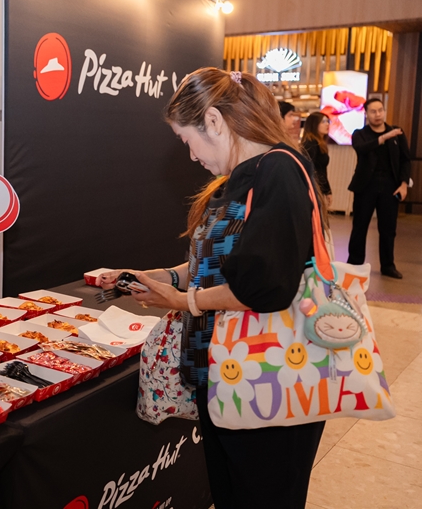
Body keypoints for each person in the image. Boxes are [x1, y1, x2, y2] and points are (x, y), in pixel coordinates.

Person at [99, 68, 325, 509]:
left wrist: (184, 301)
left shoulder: (279, 170)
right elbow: (217, 263)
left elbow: (266, 286)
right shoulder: (241, 177)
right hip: (229, 376)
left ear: (215, 121)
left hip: (270, 379)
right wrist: (162, 277)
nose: (190, 155)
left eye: (187, 140)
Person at [346, 98, 411, 279]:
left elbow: (405, 160)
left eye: (380, 110)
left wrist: (404, 184)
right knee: (360, 226)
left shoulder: (397, 133)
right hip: (366, 185)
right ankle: (355, 264)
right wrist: (382, 138)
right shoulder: (360, 134)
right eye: (373, 111)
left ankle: (388, 265)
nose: (378, 114)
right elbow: (361, 148)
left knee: (388, 229)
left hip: (390, 186)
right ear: (366, 114)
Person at [301, 111, 332, 206]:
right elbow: (311, 169)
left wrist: (327, 190)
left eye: (328, 121)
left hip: (318, 187)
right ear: (314, 125)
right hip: (311, 188)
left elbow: (322, 170)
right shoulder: (311, 143)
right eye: (323, 122)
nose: (327, 124)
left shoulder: (320, 144)